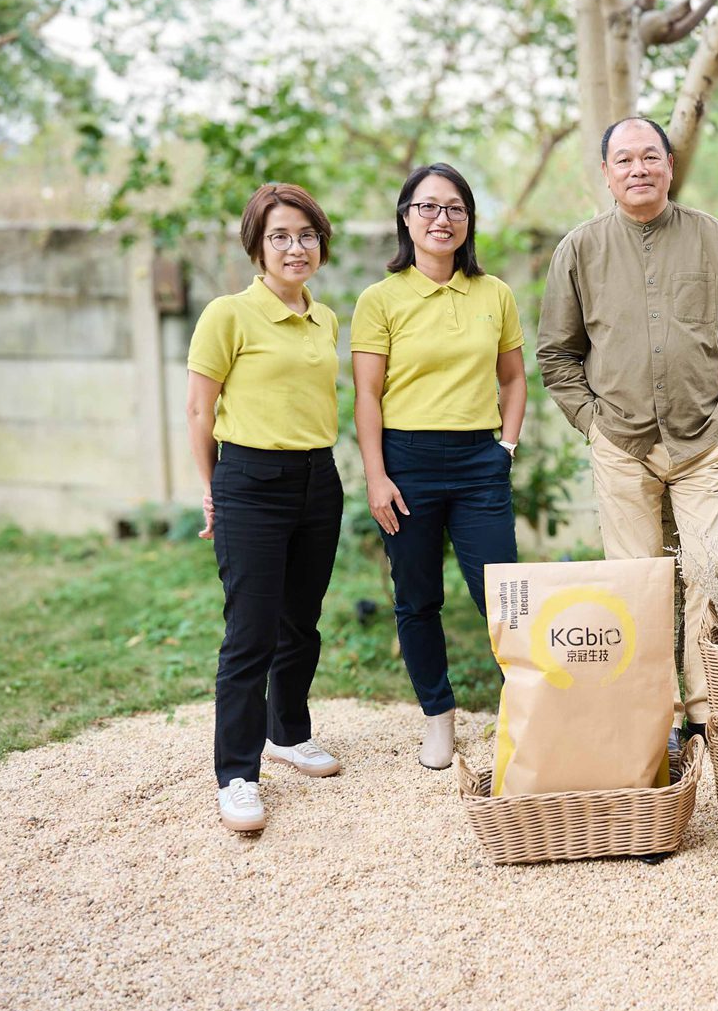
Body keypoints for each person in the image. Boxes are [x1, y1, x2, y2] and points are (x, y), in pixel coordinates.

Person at [536, 116, 718, 743]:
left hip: (705, 440)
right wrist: (593, 424)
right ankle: (654, 716)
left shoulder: (713, 238)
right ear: (606, 173)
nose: (638, 169)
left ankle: (706, 715)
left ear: (669, 164)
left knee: (710, 577)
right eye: (624, 159)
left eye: (649, 156)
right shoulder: (578, 250)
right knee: (636, 586)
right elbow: (557, 354)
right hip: (622, 443)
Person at [351, 163, 527, 769]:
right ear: (406, 218)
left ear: (468, 220)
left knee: (503, 595)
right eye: (427, 206)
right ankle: (438, 717)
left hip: (480, 463)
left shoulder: (494, 293)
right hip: (406, 465)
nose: (441, 219)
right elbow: (367, 395)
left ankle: (527, 713)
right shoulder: (380, 299)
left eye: (454, 207)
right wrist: (376, 476)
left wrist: (505, 448)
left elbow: (513, 379)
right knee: (417, 598)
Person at [186, 183, 345, 833]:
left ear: (321, 245)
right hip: (249, 481)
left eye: (306, 235)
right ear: (257, 246)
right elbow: (199, 410)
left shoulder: (325, 317)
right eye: (280, 236)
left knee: (300, 622)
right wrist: (211, 486)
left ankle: (289, 733)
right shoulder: (227, 315)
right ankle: (237, 774)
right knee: (250, 632)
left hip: (318, 478)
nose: (295, 247)